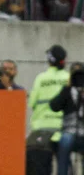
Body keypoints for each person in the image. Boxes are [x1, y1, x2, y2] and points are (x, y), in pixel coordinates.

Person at [26, 45, 70, 174]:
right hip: (64, 130)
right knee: (65, 167)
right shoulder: (68, 78)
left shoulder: (41, 78)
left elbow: (32, 102)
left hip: (42, 130)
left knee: (40, 168)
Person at [51, 63, 84, 175]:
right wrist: (66, 89)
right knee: (65, 142)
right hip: (69, 133)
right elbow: (54, 106)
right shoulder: (67, 91)